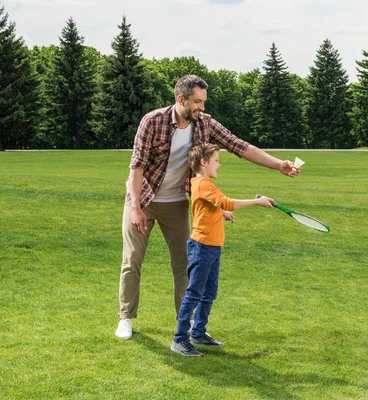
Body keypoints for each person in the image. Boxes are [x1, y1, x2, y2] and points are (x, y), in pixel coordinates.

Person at [115, 75, 300, 340]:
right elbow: (137, 166)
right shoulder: (152, 121)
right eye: (197, 102)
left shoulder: (204, 123)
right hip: (142, 199)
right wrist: (135, 207)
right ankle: (126, 318)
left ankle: (185, 324)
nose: (201, 108)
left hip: (177, 202)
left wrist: (277, 164)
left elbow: (240, 146)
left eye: (203, 102)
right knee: (132, 259)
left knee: (184, 264)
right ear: (181, 99)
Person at [171, 143, 273, 357]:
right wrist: (257, 202)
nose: (219, 164)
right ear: (204, 162)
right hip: (202, 247)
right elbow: (226, 202)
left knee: (209, 293)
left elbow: (211, 205)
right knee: (194, 294)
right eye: (216, 161)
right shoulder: (203, 183)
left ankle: (198, 333)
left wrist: (221, 213)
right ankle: (180, 339)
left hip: (213, 247)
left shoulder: (203, 185)